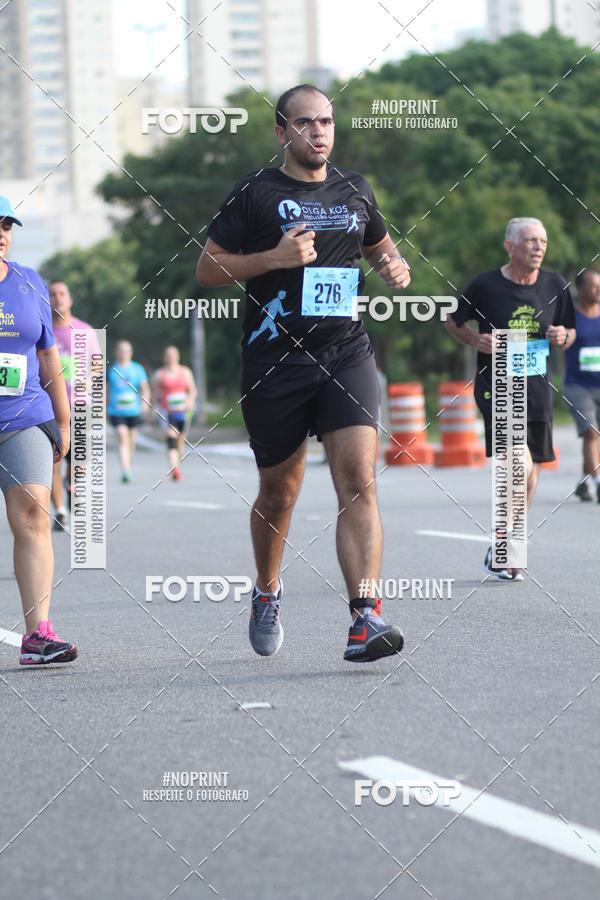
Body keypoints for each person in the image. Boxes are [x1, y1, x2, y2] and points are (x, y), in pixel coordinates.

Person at [196, 83, 411, 662]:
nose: (319, 132)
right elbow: (208, 268)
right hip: (274, 363)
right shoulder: (255, 192)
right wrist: (273, 259)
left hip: (346, 353)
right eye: (306, 123)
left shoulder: (355, 190)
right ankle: (267, 590)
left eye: (327, 122)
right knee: (280, 492)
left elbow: (380, 247)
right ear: (281, 132)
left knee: (358, 479)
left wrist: (394, 265)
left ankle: (365, 616)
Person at [445, 217, 576, 579]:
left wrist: (562, 336)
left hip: (537, 390)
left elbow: (570, 333)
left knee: (530, 475)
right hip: (497, 385)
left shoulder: (555, 284)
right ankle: (507, 546)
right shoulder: (485, 285)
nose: (538, 247)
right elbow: (451, 320)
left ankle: (505, 545)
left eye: (543, 241)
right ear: (510, 246)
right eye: (531, 240)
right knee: (517, 464)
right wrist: (475, 340)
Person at [0, 196, 77, 664]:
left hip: (23, 416)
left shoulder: (29, 283)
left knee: (32, 513)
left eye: (6, 224)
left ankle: (38, 635)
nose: (1, 232)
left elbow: (49, 355)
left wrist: (63, 419)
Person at [49, 280, 97, 531]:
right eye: (53, 294)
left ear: (70, 299)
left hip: (80, 406)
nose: (58, 298)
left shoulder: (85, 331)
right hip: (50, 409)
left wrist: (89, 381)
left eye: (62, 294)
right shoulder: (43, 330)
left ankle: (72, 487)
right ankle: (59, 511)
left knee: (79, 461)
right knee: (53, 461)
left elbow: (97, 366)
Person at [564, 269, 600, 502]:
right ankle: (597, 482)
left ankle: (584, 481)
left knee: (596, 437)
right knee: (591, 432)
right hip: (578, 385)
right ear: (581, 289)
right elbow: (561, 342)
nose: (598, 290)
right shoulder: (571, 318)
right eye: (594, 286)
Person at [151, 345, 197, 481]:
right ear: (165, 358)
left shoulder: (185, 372)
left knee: (180, 441)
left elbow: (193, 390)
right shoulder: (159, 374)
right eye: (169, 355)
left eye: (174, 355)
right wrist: (152, 410)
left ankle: (177, 466)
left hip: (183, 411)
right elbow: (154, 395)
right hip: (167, 411)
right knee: (171, 436)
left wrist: (190, 401)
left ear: (178, 356)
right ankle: (175, 469)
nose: (171, 358)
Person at [107, 340, 150, 482]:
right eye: (121, 350)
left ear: (130, 353)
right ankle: (125, 469)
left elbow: (144, 388)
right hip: (116, 411)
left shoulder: (138, 369)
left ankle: (128, 466)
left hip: (133, 411)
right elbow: (106, 391)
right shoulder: (112, 370)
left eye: (126, 351)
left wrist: (145, 403)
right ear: (116, 353)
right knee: (122, 436)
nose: (124, 353)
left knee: (132, 439)